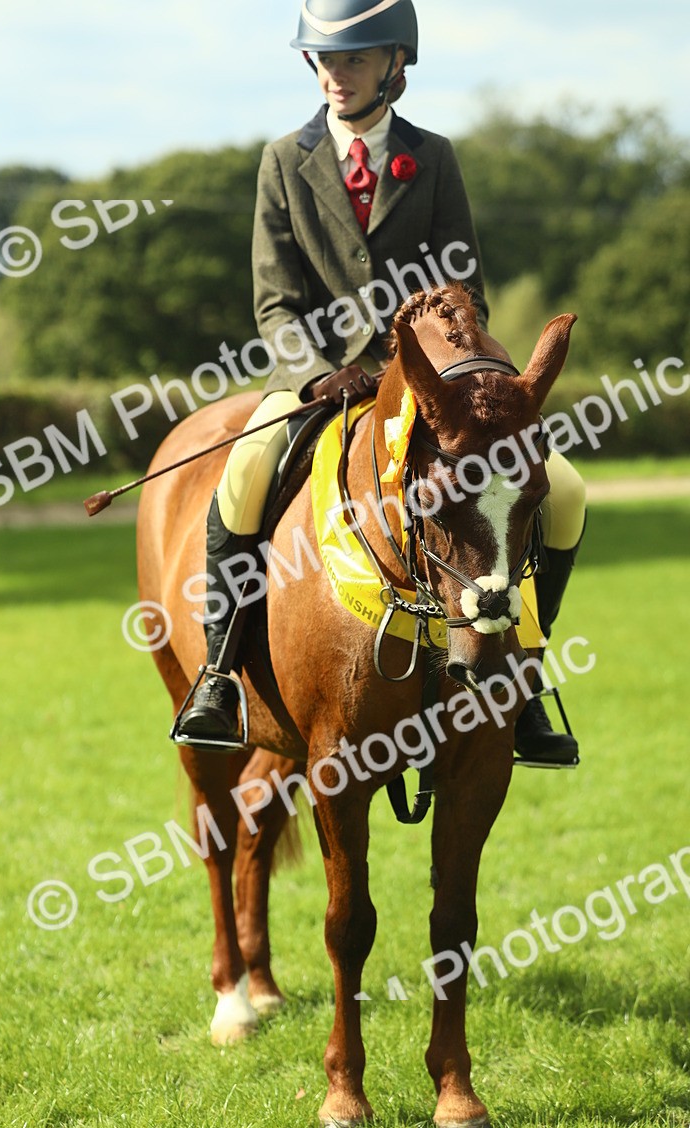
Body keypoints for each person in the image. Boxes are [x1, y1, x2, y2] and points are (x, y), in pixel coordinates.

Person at [175, 0, 586, 765]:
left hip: (426, 387)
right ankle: (220, 673)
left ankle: (524, 680)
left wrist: (422, 372)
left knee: (562, 491)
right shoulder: (280, 161)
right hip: (318, 383)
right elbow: (275, 299)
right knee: (243, 477)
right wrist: (318, 372)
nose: (338, 74)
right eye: (328, 60)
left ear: (396, 64)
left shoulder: (434, 159)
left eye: (355, 59)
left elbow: (464, 293)